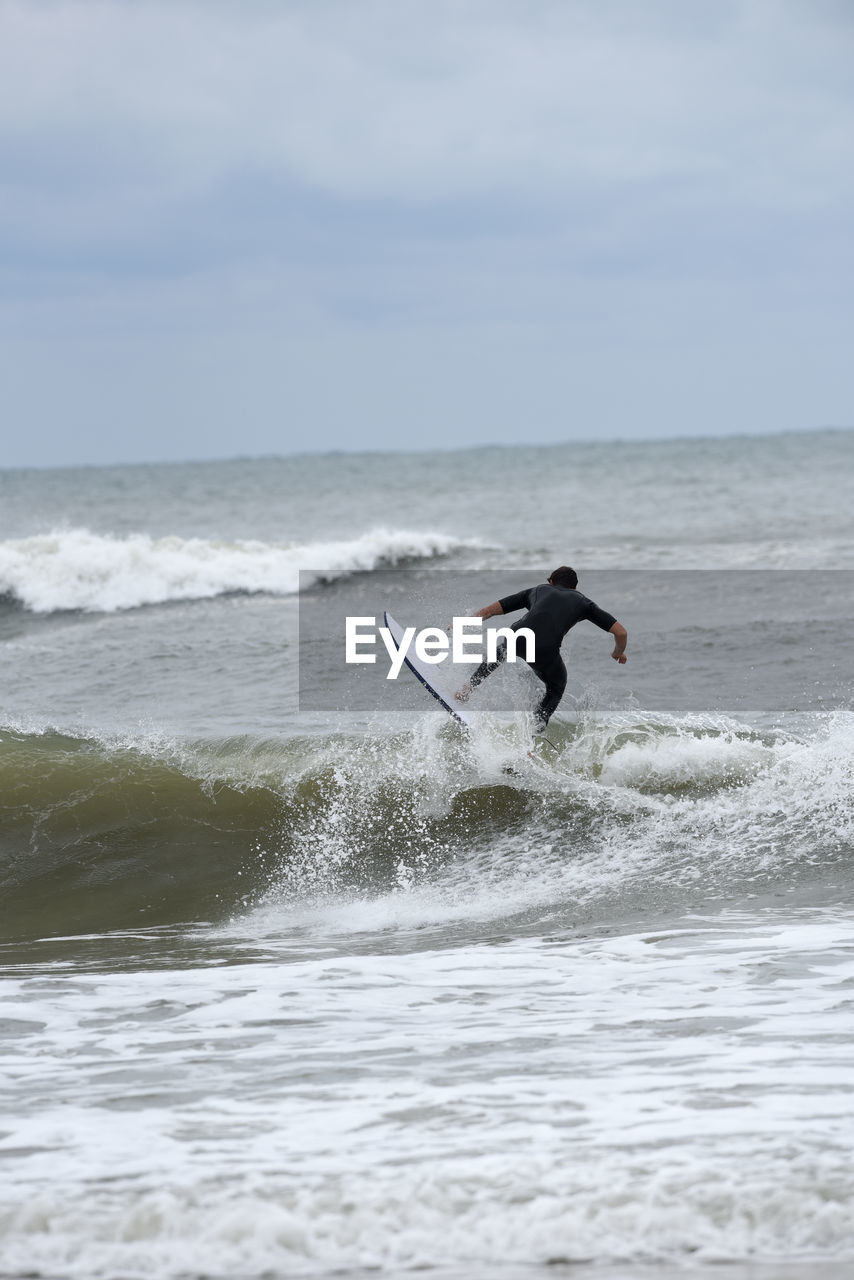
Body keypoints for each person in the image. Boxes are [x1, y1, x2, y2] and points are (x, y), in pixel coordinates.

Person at [455, 566, 627, 729]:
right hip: (545, 649)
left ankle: (467, 688)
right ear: (575, 587)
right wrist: (617, 653)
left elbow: (489, 611)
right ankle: (532, 735)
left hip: (517, 635)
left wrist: (462, 623)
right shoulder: (583, 603)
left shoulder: (538, 590)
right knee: (557, 686)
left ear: (551, 582)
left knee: (503, 650)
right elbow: (621, 633)